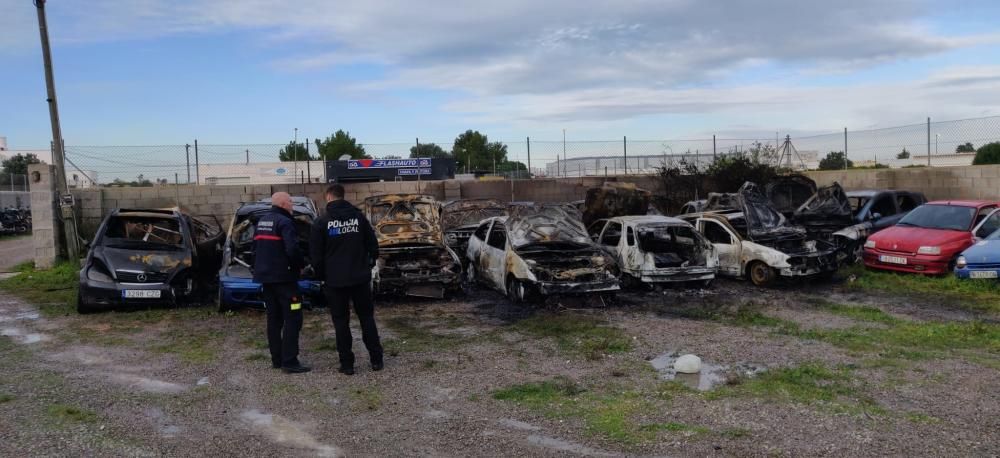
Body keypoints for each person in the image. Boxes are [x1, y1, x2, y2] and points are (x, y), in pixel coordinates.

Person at [310, 184, 384, 375]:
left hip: (335, 282)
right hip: (359, 278)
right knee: (367, 318)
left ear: (328, 197)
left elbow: (316, 257)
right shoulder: (358, 218)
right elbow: (373, 246)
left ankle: (347, 364)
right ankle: (377, 360)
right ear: (343, 196)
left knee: (341, 322)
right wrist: (367, 265)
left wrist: (322, 276)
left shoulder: (321, 222)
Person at [253, 192, 310, 374]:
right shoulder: (285, 222)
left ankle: (277, 359)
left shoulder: (262, 221)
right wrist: (301, 265)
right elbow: (292, 249)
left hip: (266, 280)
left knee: (274, 319)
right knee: (293, 318)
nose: (292, 205)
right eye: (291, 201)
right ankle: (290, 361)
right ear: (284, 203)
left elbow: (254, 249)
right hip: (285, 281)